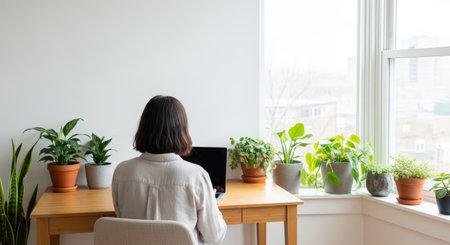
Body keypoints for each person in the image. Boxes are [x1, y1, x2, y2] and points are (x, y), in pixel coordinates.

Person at [112, 95, 227, 244]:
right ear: (181, 129)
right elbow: (215, 237)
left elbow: (123, 221)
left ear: (144, 128)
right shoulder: (196, 176)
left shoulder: (122, 172)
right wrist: (210, 199)